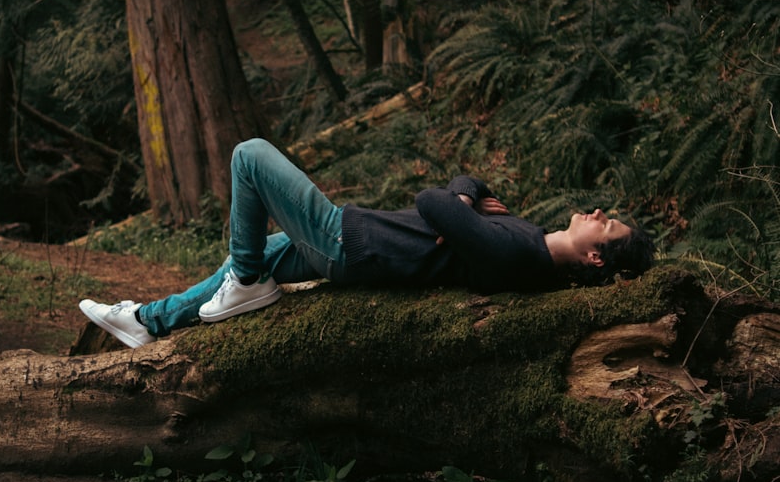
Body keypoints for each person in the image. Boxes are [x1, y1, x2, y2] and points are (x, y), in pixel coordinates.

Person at [79, 138, 655, 348]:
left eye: (607, 225)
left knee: (249, 156)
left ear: (596, 256)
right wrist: (468, 198)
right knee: (255, 253)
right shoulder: (527, 241)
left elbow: (434, 200)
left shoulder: (518, 256)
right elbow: (467, 185)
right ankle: (148, 322)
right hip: (357, 241)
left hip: (351, 243)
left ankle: (246, 284)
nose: (599, 213)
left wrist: (457, 204)